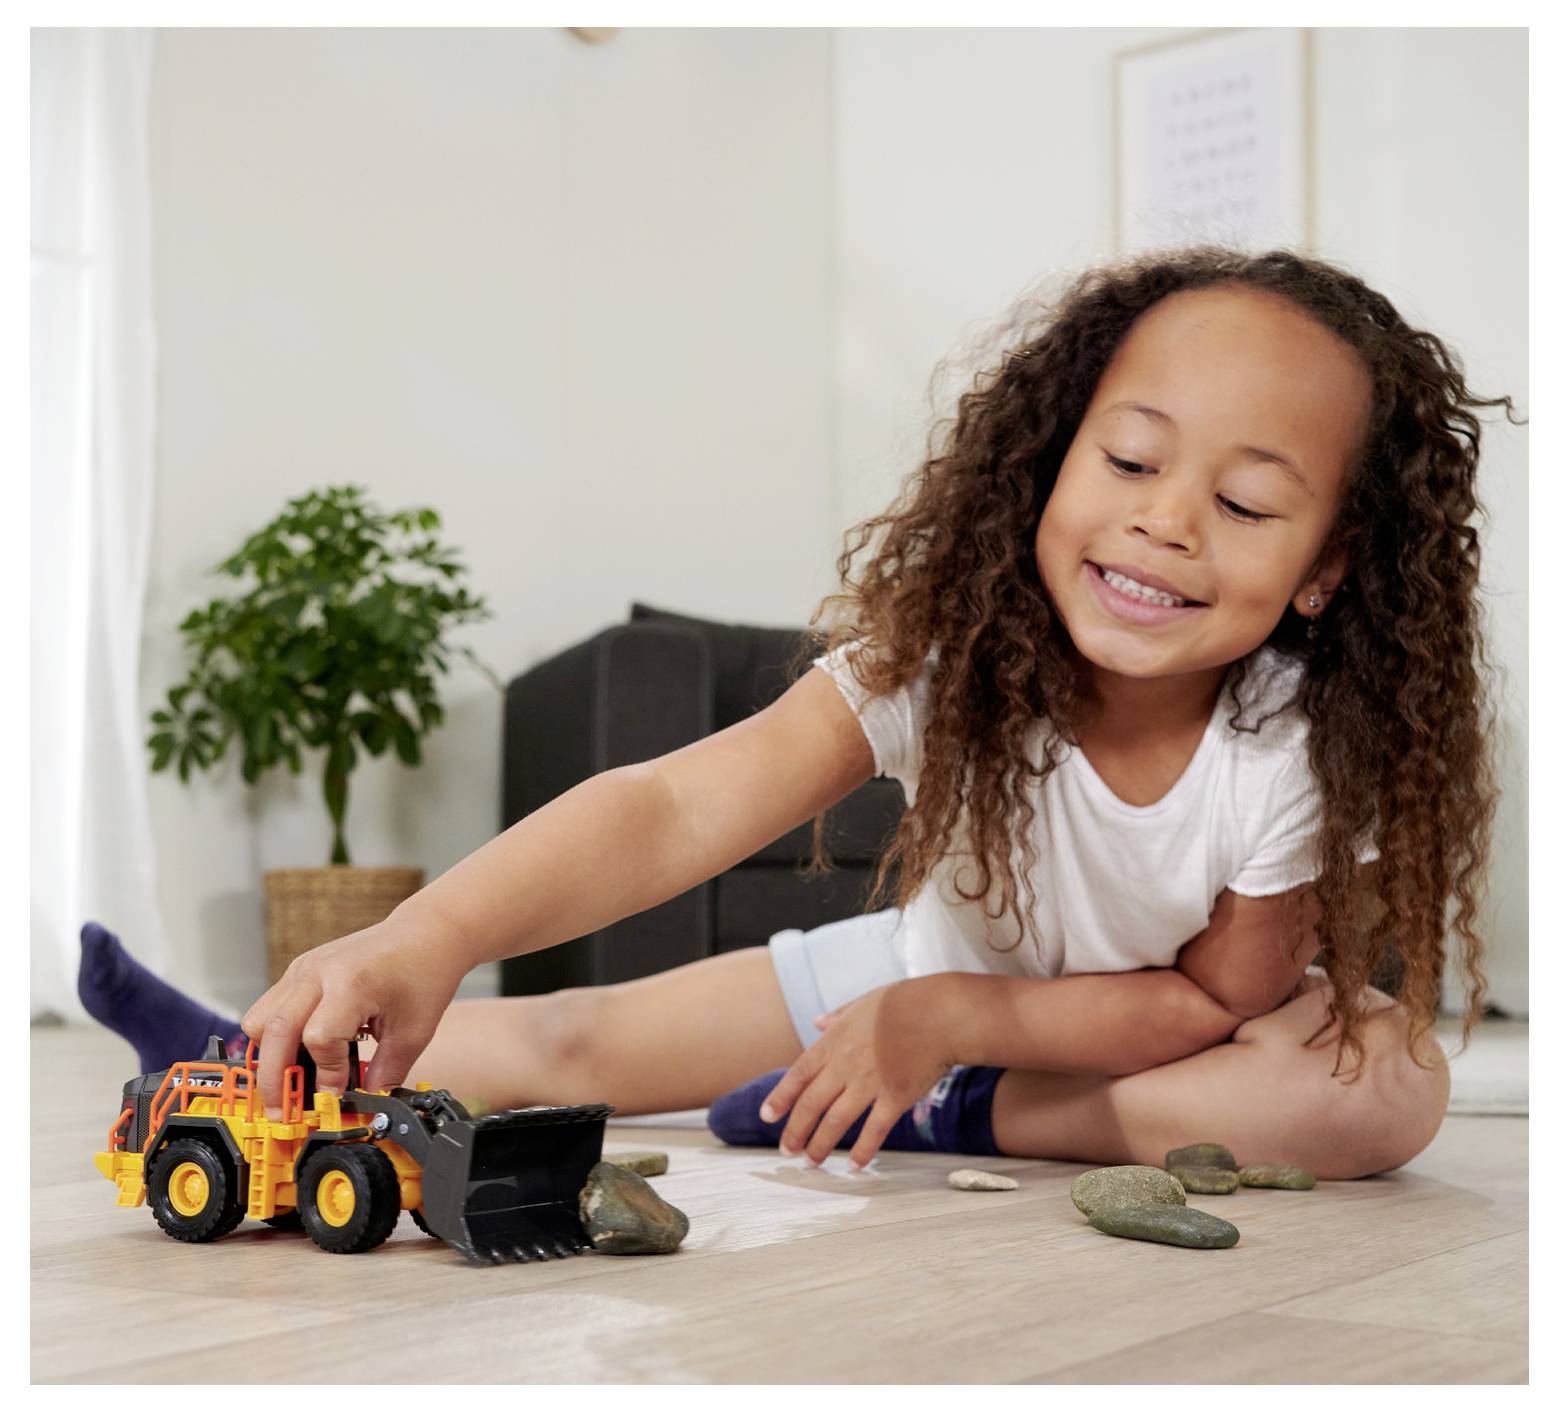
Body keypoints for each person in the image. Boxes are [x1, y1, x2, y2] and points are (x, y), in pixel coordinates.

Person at [81, 244, 1519, 1181]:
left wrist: (942, 1026)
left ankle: (960, 1111)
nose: (1166, 528)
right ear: (1054, 453)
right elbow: (675, 806)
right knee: (560, 1042)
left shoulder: (1285, 751)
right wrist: (421, 935)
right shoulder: (956, 655)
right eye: (1132, 461)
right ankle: (237, 1047)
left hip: (1104, 1035)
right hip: (894, 967)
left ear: (1328, 568)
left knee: (1378, 1090)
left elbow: (1216, 1002)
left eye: (1248, 502)